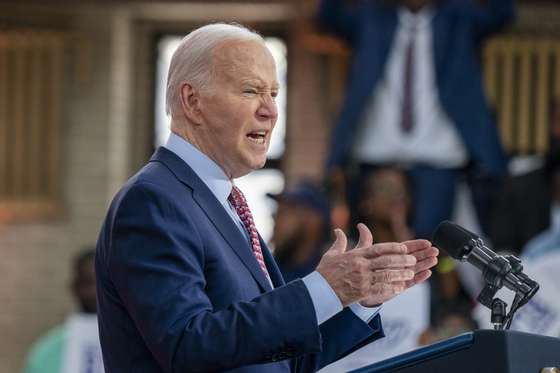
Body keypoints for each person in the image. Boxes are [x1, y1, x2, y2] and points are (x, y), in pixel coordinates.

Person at [95, 23, 439, 373]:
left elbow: (278, 360)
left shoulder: (226, 202)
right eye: (250, 91)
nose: (270, 110)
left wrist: (360, 302)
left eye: (273, 94)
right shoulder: (154, 201)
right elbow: (187, 344)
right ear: (192, 101)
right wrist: (322, 289)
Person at [317, 0, 513, 238]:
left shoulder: (459, 18)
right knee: (370, 243)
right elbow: (329, 16)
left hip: (438, 157)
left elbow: (501, 15)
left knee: (431, 246)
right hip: (374, 154)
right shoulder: (370, 16)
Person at [22, 248, 104, 373]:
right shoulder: (48, 351)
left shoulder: (132, 344)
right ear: (75, 287)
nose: (95, 292)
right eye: (88, 283)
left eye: (102, 284)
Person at [269, 181, 332, 282]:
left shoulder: (330, 275)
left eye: (284, 212)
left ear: (312, 221)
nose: (274, 218)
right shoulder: (267, 270)